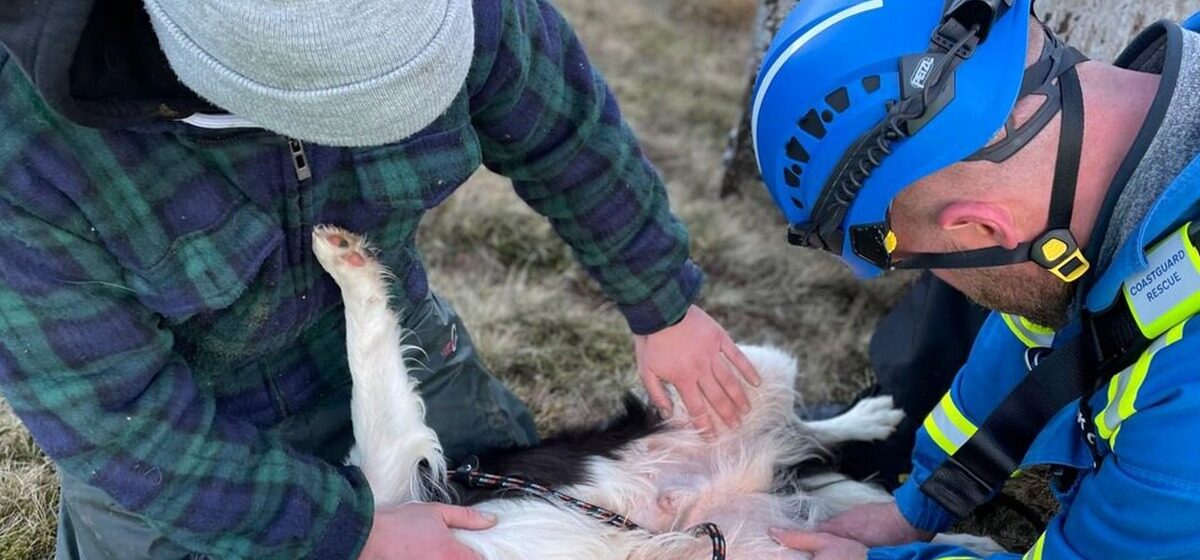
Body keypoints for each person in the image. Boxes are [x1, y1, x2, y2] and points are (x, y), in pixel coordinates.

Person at [0, 0, 761, 558]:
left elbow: (565, 130)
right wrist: (344, 530)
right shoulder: (28, 163)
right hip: (177, 440)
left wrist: (663, 305)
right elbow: (115, 420)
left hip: (399, 352)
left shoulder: (462, 14)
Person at [752, 0, 1200, 558]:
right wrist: (918, 506)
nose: (940, 282)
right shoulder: (1111, 189)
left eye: (916, 262)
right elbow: (1034, 338)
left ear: (978, 224)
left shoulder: (1187, 406)